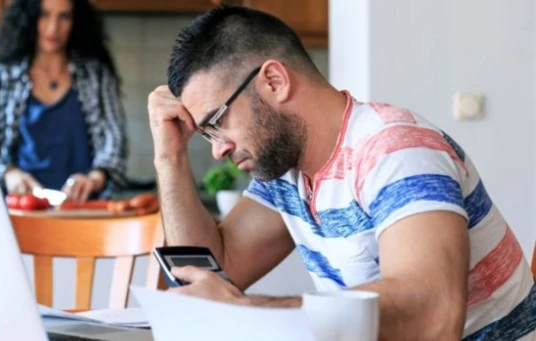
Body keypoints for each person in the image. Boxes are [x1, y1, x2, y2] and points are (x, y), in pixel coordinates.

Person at [147, 5, 535, 340]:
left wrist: (251, 310)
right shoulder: (286, 174)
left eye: (217, 121)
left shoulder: (396, 150)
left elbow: (434, 316)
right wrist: (170, 157)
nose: (217, 150)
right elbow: (212, 272)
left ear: (274, 81)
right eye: (207, 134)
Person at [0, 0, 127, 202]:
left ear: (76, 21)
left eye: (64, 17)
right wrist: (10, 173)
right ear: (29, 18)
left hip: (84, 212)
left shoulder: (97, 77)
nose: (53, 27)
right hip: (20, 211)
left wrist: (95, 178)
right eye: (44, 15)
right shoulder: (2, 78)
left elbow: (115, 145)